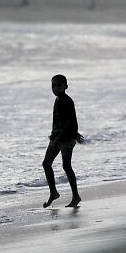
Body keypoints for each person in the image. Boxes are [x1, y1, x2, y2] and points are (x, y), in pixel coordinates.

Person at [42, 74, 83, 208]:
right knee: (46, 163)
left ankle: (76, 196)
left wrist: (66, 136)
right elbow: (65, 120)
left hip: (65, 139)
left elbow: (71, 122)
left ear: (66, 86)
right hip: (57, 137)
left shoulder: (67, 101)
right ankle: (53, 192)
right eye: (53, 86)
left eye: (58, 85)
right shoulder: (58, 100)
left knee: (66, 165)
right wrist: (55, 137)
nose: (55, 88)